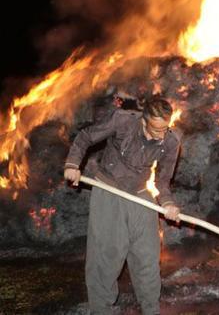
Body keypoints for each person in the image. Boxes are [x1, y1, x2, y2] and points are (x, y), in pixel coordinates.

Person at [64, 97, 182, 315]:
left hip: (140, 195)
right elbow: (85, 137)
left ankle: (151, 309)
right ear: (144, 121)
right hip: (109, 191)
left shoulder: (171, 142)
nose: (161, 135)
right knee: (106, 258)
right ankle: (102, 310)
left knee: (147, 257)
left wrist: (168, 204)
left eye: (165, 128)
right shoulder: (123, 121)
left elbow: (162, 181)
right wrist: (72, 164)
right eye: (156, 129)